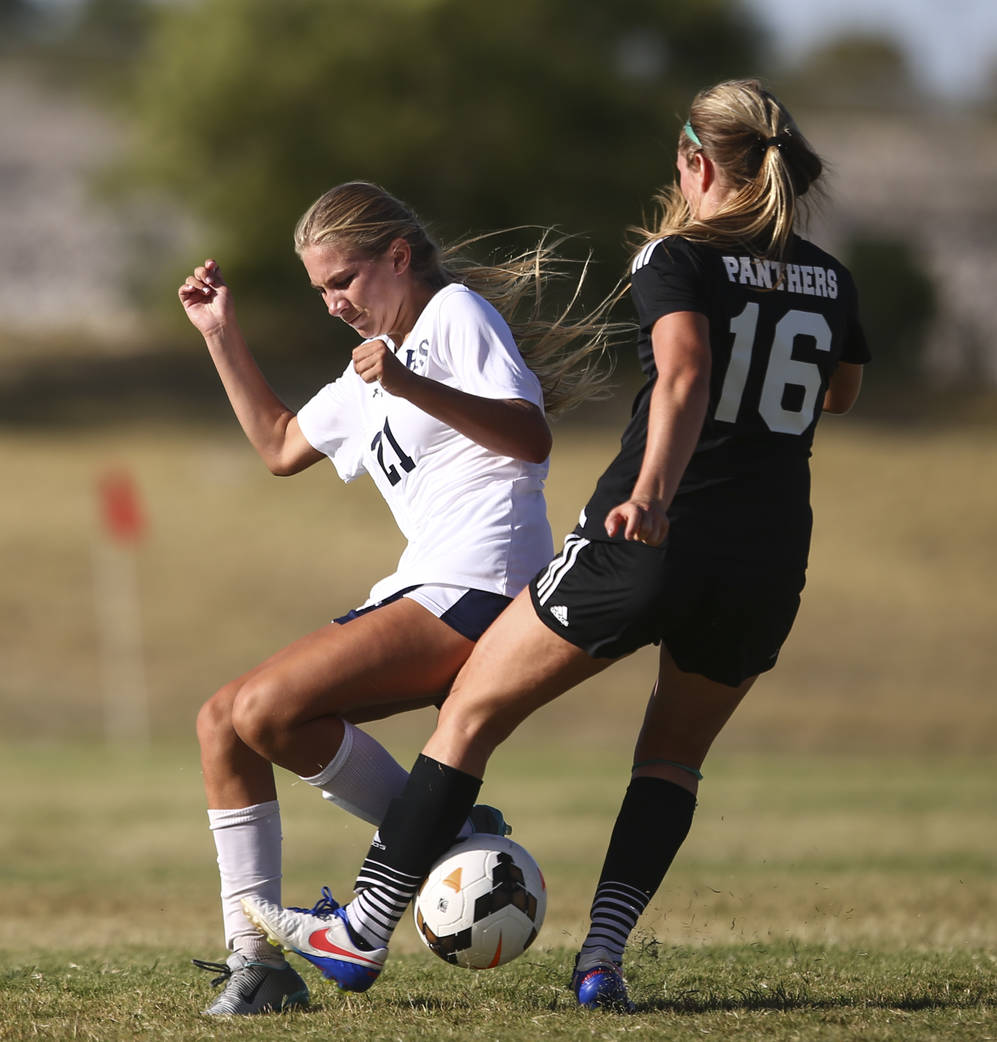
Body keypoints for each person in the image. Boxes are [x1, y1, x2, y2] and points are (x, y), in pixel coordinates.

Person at [243, 80, 870, 1011]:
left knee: (469, 713)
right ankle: (602, 960)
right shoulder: (830, 276)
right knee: (669, 758)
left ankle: (361, 932)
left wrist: (653, 491)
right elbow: (840, 393)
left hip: (648, 531)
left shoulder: (677, 255)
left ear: (696, 164)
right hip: (771, 550)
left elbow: (686, 370)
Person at [178, 181, 618, 1015]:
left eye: (344, 280)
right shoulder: (367, 370)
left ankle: (439, 825)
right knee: (221, 720)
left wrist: (411, 385)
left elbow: (530, 436)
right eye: (320, 291)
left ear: (398, 258)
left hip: (484, 581)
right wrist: (220, 332)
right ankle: (258, 964)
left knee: (266, 708)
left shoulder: (453, 314)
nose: (335, 303)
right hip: (426, 584)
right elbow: (278, 446)